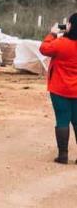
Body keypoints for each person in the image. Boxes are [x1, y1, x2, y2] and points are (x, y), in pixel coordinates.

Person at [40, 14, 77, 164]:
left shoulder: (60, 43)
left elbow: (43, 48)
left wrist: (53, 33)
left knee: (62, 120)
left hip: (59, 88)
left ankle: (63, 155)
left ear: (70, 26)